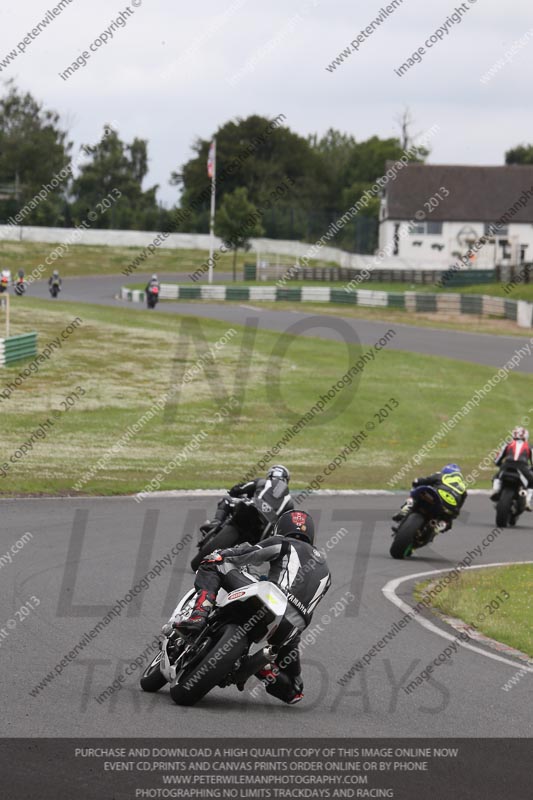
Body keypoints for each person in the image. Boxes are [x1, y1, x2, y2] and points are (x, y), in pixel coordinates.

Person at [172, 509, 331, 705]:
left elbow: (247, 554)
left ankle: (198, 615)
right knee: (294, 688)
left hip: (270, 599)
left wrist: (222, 553)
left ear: (280, 528)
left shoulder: (282, 542)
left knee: (214, 563)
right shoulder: (326, 572)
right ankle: (260, 666)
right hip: (290, 628)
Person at [199, 465, 294, 543]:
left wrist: (234, 492)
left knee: (226, 500)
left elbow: (239, 488)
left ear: (270, 475)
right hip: (264, 531)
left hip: (253, 509)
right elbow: (286, 523)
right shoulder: (289, 500)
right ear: (286, 480)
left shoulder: (263, 482)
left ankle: (216, 523)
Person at [392, 463, 467, 531]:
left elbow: (418, 481)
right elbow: (458, 507)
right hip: (449, 507)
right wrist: (451, 517)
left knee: (418, 493)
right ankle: (441, 524)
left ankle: (408, 505)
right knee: (448, 520)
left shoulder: (440, 475)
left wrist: (415, 483)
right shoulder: (463, 489)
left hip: (435, 497)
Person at [491, 426, 533, 510]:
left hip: (507, 465)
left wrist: (499, 464)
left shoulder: (508, 444)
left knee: (496, 476)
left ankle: (495, 490)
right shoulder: (529, 447)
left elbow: (497, 459)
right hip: (522, 466)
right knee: (531, 483)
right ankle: (527, 501)